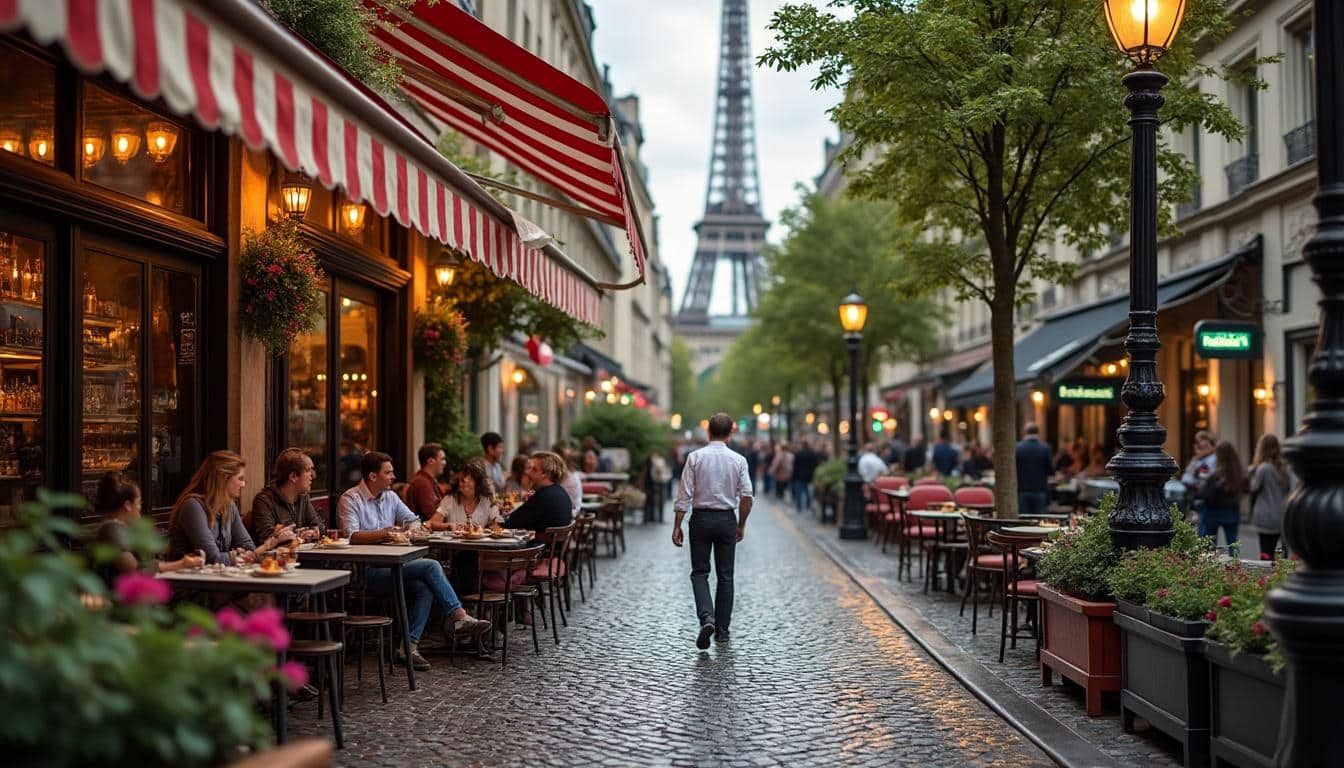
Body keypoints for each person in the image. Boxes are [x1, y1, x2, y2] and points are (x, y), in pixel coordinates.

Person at [339, 451, 491, 670]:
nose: (393, 476)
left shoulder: (390, 497)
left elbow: (414, 521)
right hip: (367, 572)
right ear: (373, 476)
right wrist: (385, 533)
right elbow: (351, 535)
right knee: (431, 566)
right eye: (388, 472)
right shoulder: (350, 499)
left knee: (424, 587)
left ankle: (408, 648)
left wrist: (409, 529)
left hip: (395, 566)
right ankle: (459, 617)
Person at [673, 412, 753, 649]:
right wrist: (741, 523)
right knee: (726, 576)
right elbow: (747, 496)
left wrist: (677, 525)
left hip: (701, 519)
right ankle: (723, 631)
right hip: (726, 519)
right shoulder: (738, 460)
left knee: (700, 572)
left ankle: (706, 617)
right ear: (730, 433)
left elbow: (684, 494)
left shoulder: (695, 457)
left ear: (708, 431)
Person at [167, 451, 295, 565]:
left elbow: (249, 547)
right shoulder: (193, 506)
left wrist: (238, 555)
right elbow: (213, 558)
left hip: (219, 580)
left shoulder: (228, 505)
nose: (243, 484)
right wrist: (235, 555)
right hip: (190, 584)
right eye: (240, 479)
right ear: (223, 479)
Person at [94, 471, 202, 587]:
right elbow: (136, 570)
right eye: (139, 503)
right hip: (117, 601)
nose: (140, 508)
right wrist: (182, 564)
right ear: (128, 506)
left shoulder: (124, 528)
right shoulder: (111, 529)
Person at [250, 448, 326, 543]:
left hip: (301, 554)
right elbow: (267, 536)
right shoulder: (264, 501)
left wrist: (314, 532)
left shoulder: (303, 497)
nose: (313, 476)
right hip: (276, 557)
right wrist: (300, 534)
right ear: (293, 476)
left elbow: (320, 528)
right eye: (308, 470)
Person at [504, 452, 575, 535]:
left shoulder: (543, 496)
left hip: (537, 546)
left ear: (544, 474)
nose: (528, 472)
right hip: (551, 546)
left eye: (534, 469)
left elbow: (510, 524)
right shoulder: (561, 492)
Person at [1194, 441, 1246, 548]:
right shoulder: (1239, 473)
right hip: (1232, 511)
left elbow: (1205, 494)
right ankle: (1235, 563)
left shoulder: (1214, 475)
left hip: (1213, 512)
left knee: (1209, 545)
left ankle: (1210, 563)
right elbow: (1246, 490)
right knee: (1233, 544)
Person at [1249, 433, 1290, 559]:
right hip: (1282, 515)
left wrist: (1251, 473)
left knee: (1266, 554)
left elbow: (1254, 487)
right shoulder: (1283, 468)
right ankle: (1282, 577)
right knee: (1283, 555)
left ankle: (1267, 578)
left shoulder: (1263, 468)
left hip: (1266, 516)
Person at [429, 458, 497, 530]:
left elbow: (497, 526)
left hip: (479, 540)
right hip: (453, 541)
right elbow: (432, 523)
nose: (464, 484)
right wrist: (449, 525)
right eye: (461, 480)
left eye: (469, 480)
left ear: (478, 483)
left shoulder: (487, 500)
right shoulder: (450, 499)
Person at [1016, 423, 1054, 517]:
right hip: (1040, 489)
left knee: (1024, 520)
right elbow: (1050, 470)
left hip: (1022, 489)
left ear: (1024, 432)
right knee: (1040, 520)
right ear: (1038, 432)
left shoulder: (1018, 447)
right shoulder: (1045, 448)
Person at [404, 443, 446, 520]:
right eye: (442, 459)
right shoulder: (422, 483)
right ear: (431, 461)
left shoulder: (428, 480)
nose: (444, 463)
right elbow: (433, 515)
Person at [1182, 430, 1218, 496]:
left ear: (1208, 442)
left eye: (1200, 441)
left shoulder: (1213, 459)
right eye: (1197, 442)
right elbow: (1185, 478)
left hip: (1206, 496)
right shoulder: (1199, 459)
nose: (1197, 445)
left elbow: (1203, 479)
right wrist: (1195, 459)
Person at [791, 439, 818, 513]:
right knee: (807, 490)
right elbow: (816, 464)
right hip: (809, 475)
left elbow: (795, 466)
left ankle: (799, 506)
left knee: (799, 491)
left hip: (799, 475)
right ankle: (808, 505)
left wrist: (793, 476)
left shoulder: (799, 454)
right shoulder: (812, 454)